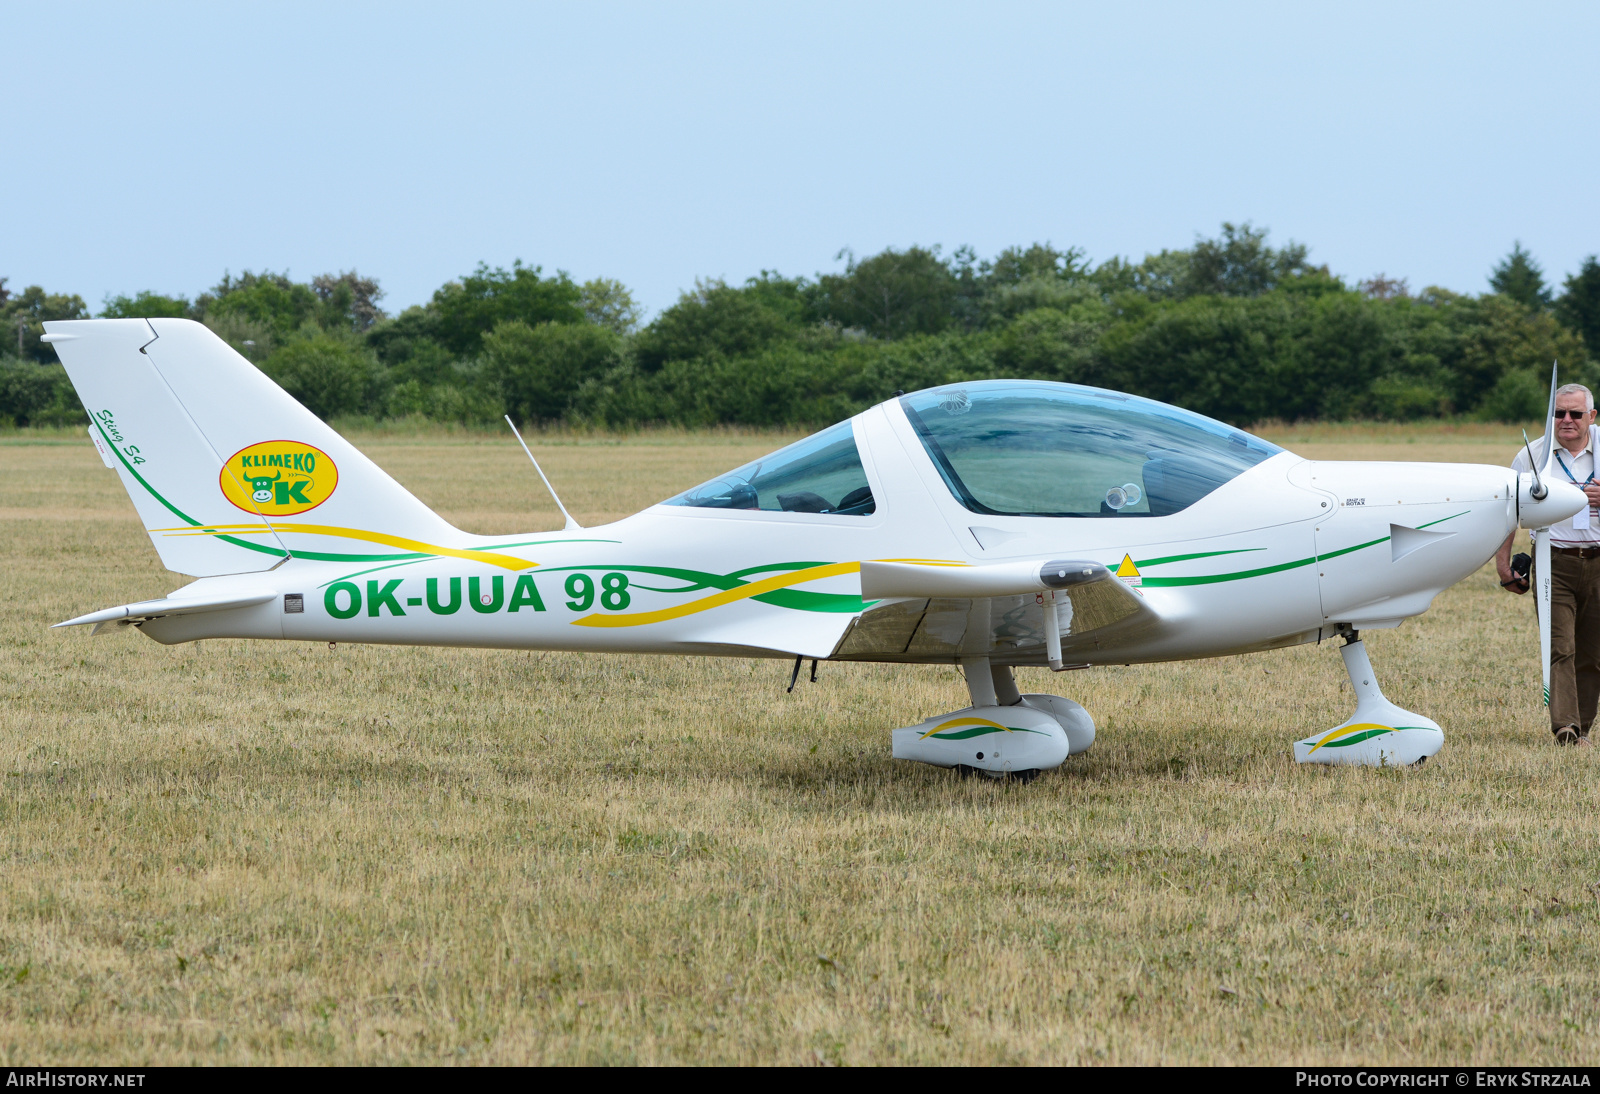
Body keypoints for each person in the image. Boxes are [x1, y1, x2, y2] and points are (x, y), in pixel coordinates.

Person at [1498, 383, 1600, 746]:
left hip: (1598, 559)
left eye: (1575, 414)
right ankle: (1566, 729)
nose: (1566, 421)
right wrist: (1504, 566)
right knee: (1561, 647)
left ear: (1592, 416)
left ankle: (1584, 726)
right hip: (1553, 560)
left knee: (1593, 653)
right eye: (1559, 414)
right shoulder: (1533, 455)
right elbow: (1509, 511)